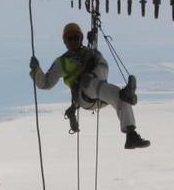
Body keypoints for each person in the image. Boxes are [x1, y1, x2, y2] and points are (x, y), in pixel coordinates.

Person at [29, 21, 149, 149]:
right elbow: (45, 83)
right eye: (70, 38)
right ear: (65, 41)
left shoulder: (90, 53)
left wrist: (94, 72)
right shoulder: (62, 62)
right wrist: (36, 70)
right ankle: (100, 83)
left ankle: (131, 135)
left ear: (81, 38)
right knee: (89, 82)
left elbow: (104, 66)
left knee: (120, 96)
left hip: (100, 92)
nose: (73, 41)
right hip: (83, 95)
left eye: (75, 37)